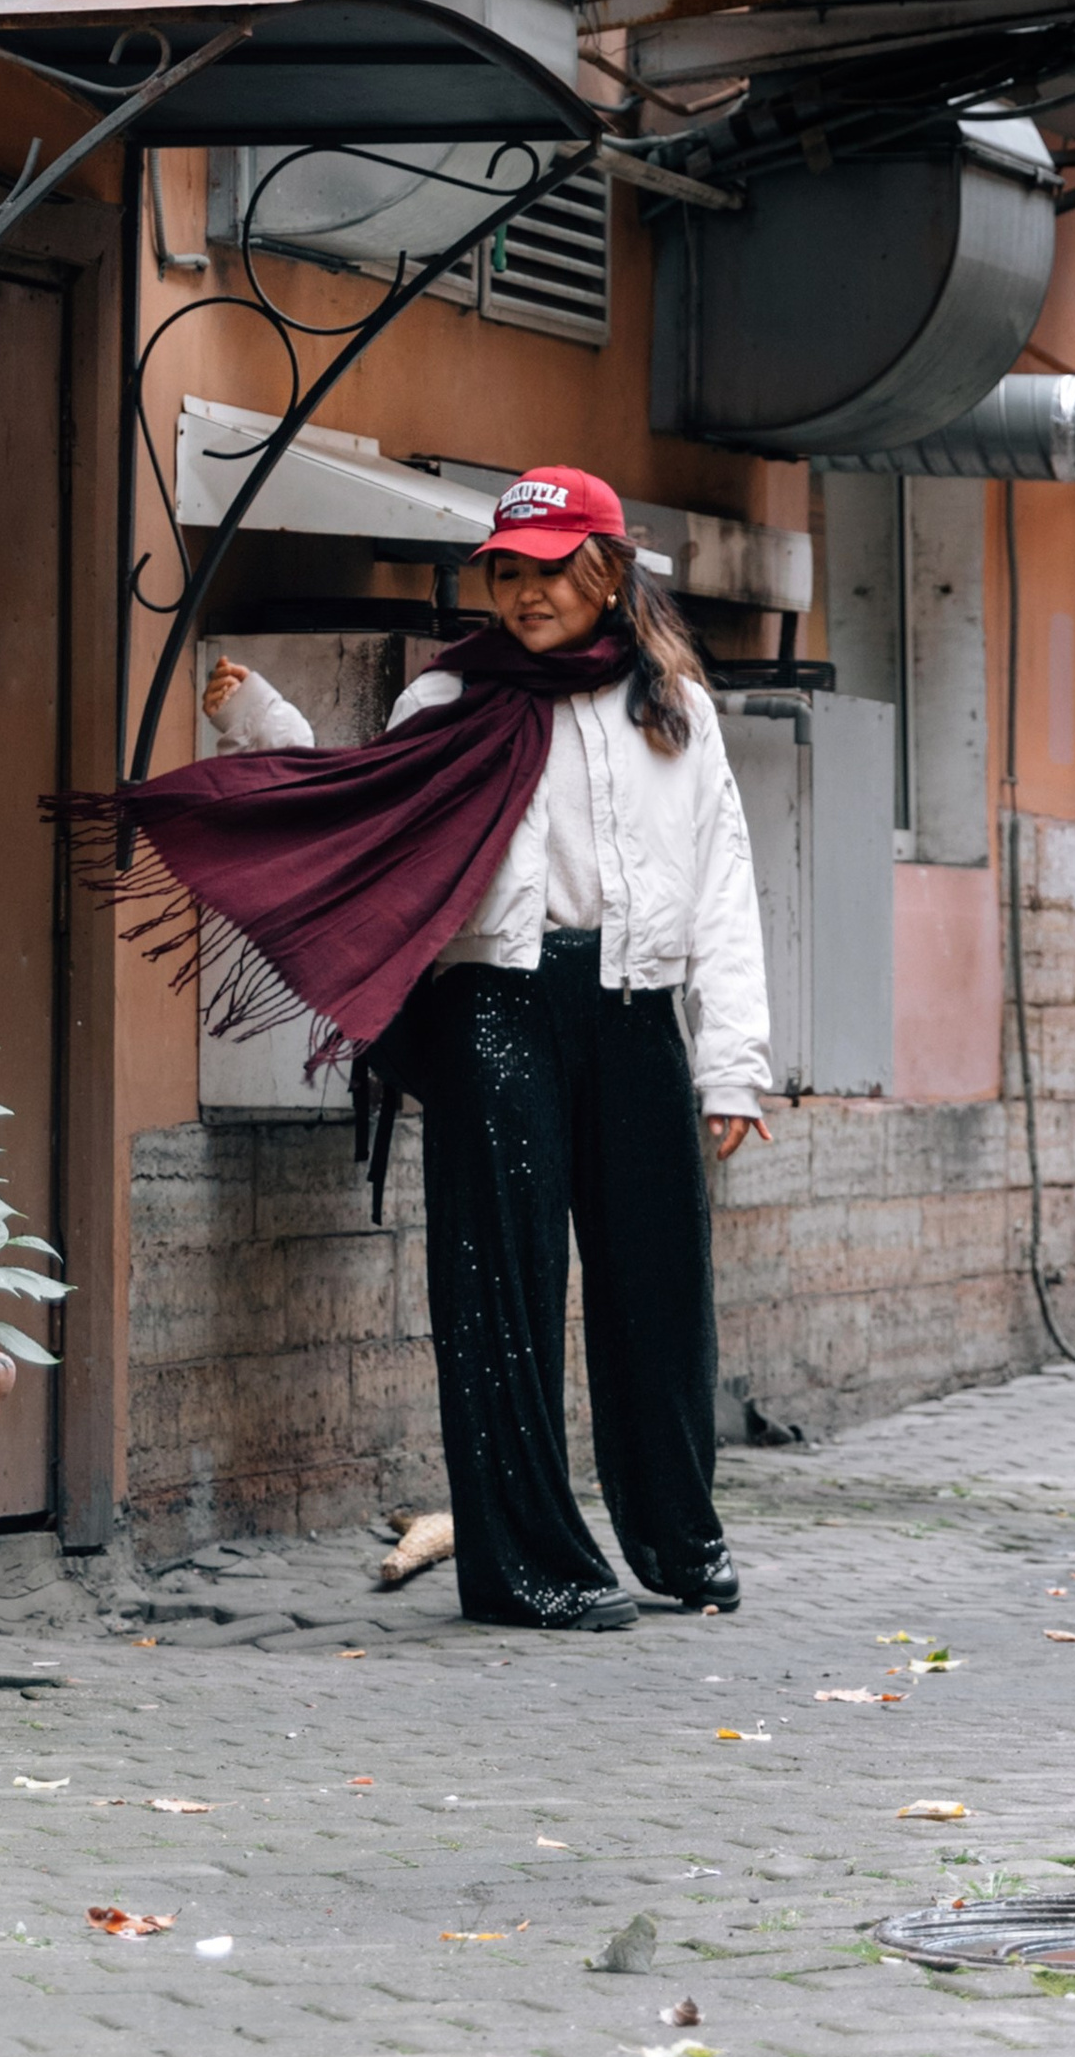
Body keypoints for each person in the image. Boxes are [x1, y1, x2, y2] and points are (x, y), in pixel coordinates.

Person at [197, 465, 770, 1634]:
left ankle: (678, 1540)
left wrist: (733, 1063)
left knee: (658, 1287)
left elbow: (724, 886)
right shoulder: (453, 696)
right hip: (496, 1006)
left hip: (633, 1009)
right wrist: (264, 724)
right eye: (506, 570)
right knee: (497, 1293)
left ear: (607, 570)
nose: (524, 593)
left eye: (549, 568)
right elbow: (362, 810)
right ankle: (529, 1567)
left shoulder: (673, 706)